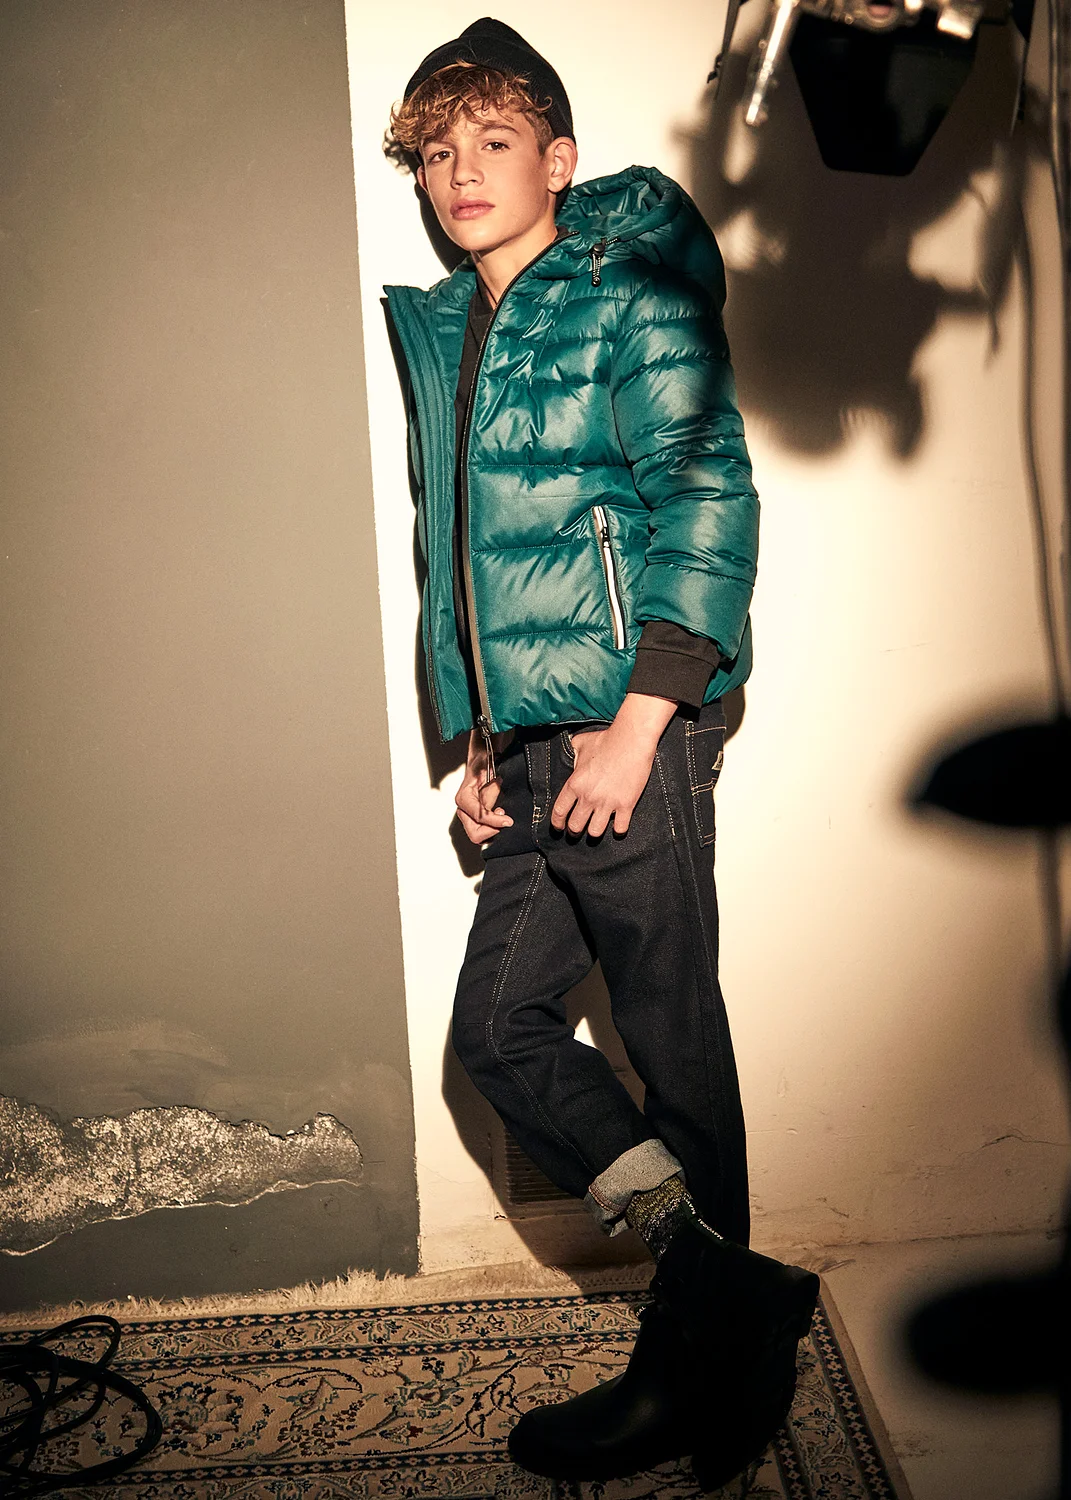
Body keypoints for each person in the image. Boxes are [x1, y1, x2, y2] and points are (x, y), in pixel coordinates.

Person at [382, 17, 819, 1488]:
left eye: (494, 142)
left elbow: (706, 492)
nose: (461, 172)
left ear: (558, 160)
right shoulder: (458, 325)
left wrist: (641, 726)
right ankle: (725, 1305)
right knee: (499, 1036)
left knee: (671, 1042)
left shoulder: (626, 294)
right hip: (532, 747)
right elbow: (476, 555)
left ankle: (702, 1377)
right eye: (438, 151)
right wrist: (486, 737)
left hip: (628, 734)